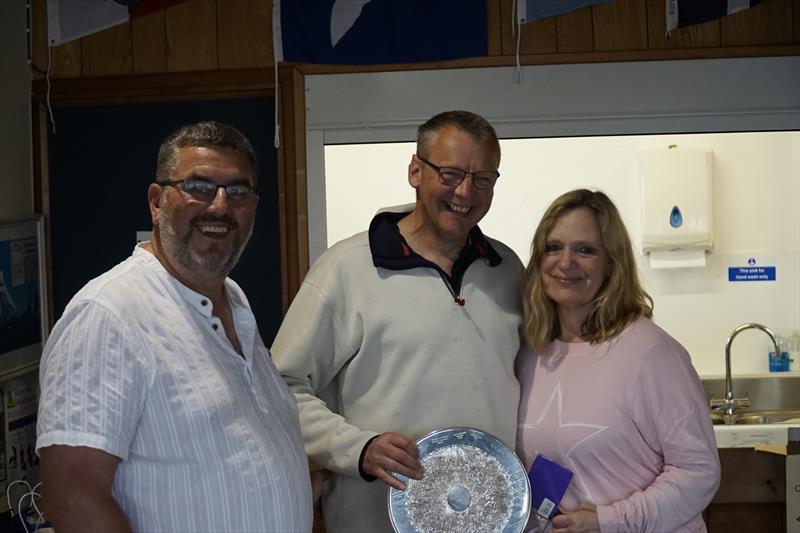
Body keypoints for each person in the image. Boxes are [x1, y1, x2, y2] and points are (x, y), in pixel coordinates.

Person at [36, 121, 313, 532]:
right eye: (198, 187)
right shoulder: (109, 314)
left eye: (237, 192)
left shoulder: (235, 301)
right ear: (156, 201)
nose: (219, 206)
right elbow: (73, 499)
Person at [271, 110, 523, 532]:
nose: (465, 191)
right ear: (415, 171)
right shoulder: (347, 268)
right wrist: (358, 448)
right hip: (372, 520)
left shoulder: (508, 269)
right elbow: (279, 386)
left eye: (483, 179)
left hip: (490, 521)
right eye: (450, 173)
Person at [516, 189, 720, 533]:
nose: (565, 262)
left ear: (612, 262)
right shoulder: (530, 352)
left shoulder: (651, 353)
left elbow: (699, 471)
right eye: (553, 247)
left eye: (585, 250)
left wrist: (610, 521)